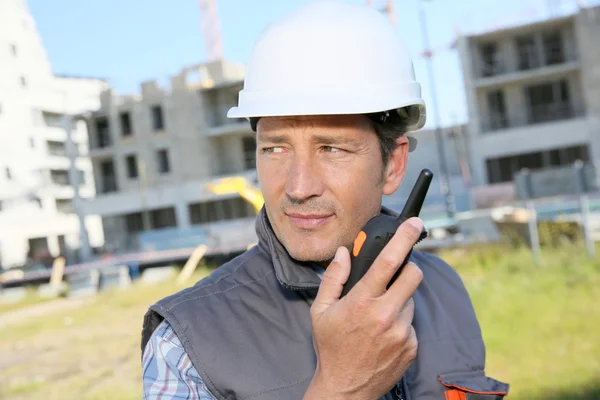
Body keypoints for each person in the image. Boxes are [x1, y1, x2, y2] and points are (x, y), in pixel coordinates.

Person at [141, 2, 510, 399]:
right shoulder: (183, 344)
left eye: (332, 149)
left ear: (394, 165)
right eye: (275, 149)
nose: (298, 187)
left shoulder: (444, 287)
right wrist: (342, 388)